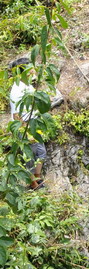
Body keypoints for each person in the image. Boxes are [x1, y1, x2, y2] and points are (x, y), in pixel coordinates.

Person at [9, 57, 47, 190]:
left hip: (33, 123)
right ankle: (33, 184)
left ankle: (37, 177)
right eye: (30, 68)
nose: (33, 70)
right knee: (30, 156)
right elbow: (16, 115)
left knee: (41, 153)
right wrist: (27, 133)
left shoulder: (27, 85)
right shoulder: (17, 89)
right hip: (23, 125)